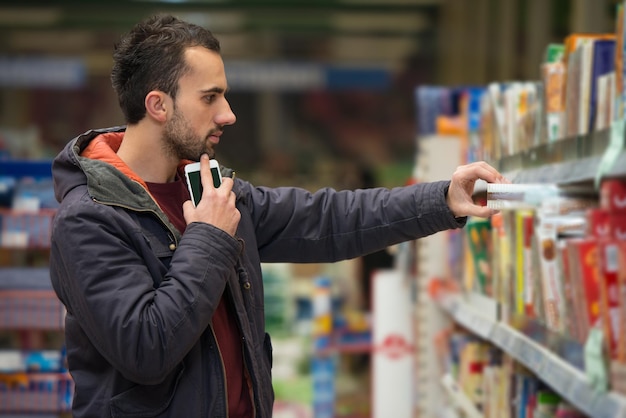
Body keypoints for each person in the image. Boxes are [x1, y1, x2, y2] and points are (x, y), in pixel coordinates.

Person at [48, 13, 507, 418]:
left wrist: (442, 199)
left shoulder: (213, 189)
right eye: (211, 98)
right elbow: (146, 349)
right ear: (158, 105)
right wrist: (208, 235)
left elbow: (328, 219)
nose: (228, 114)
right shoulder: (89, 219)